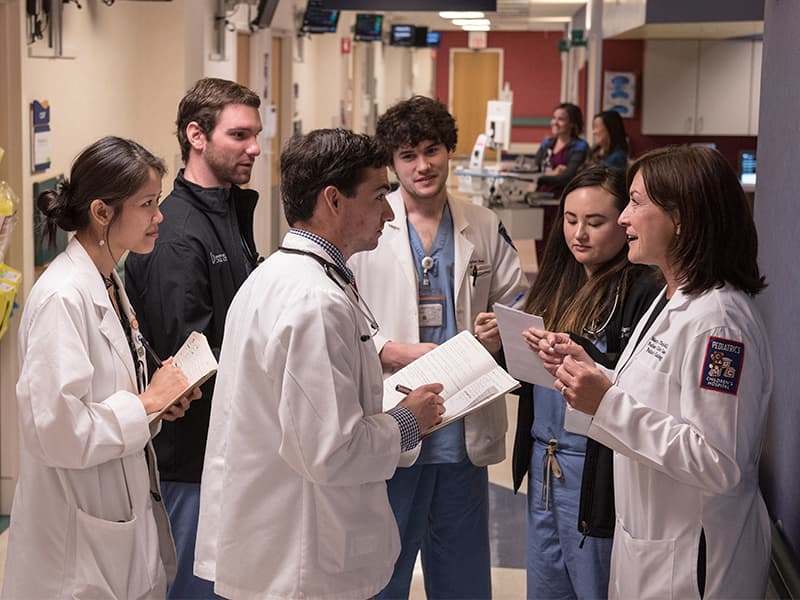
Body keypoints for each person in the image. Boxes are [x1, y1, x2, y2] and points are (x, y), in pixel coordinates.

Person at [193, 128, 445, 599]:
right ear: (334, 199)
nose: (389, 214)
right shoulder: (314, 300)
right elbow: (331, 451)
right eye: (378, 197)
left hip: (282, 546)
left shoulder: (280, 277)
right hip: (304, 559)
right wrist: (409, 421)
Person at [537, 146, 772, 599]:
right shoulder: (672, 298)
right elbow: (655, 395)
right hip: (650, 546)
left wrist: (605, 403)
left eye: (636, 203)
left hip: (694, 563)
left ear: (680, 218)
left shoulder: (719, 323)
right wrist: (593, 372)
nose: (624, 218)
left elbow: (718, 462)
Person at [1, 136, 200, 599]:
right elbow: (57, 432)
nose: (159, 216)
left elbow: (105, 400)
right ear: (102, 212)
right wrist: (146, 401)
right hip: (74, 546)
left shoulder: (109, 279)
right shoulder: (62, 298)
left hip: (115, 521)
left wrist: (156, 405)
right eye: (147, 204)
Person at [348, 95, 529, 599]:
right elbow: (346, 314)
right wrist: (387, 349)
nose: (422, 166)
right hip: (394, 416)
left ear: (449, 150)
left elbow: (515, 301)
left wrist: (499, 332)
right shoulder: (368, 228)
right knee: (384, 568)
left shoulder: (483, 224)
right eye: (407, 156)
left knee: (462, 573)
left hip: (461, 427)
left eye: (432, 150)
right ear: (392, 163)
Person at [124, 77, 262, 599]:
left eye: (256, 134)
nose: (254, 148)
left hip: (227, 449)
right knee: (193, 587)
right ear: (196, 136)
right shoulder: (178, 231)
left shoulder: (229, 211)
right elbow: (190, 356)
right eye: (240, 135)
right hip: (191, 459)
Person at [497, 166, 660, 599]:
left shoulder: (643, 289)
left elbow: (636, 380)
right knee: (546, 584)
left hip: (593, 467)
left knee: (592, 582)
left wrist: (581, 351)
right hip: (544, 460)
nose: (579, 235)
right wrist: (502, 343)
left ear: (623, 220)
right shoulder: (558, 283)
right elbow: (526, 379)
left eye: (595, 222)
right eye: (570, 221)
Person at [532, 102, 589, 260]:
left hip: (561, 203)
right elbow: (533, 168)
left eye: (561, 119)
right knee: (541, 247)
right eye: (553, 118)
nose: (555, 122)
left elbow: (567, 177)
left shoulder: (579, 146)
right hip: (540, 202)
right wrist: (550, 173)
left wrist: (542, 175)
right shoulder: (547, 143)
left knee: (557, 248)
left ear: (572, 123)